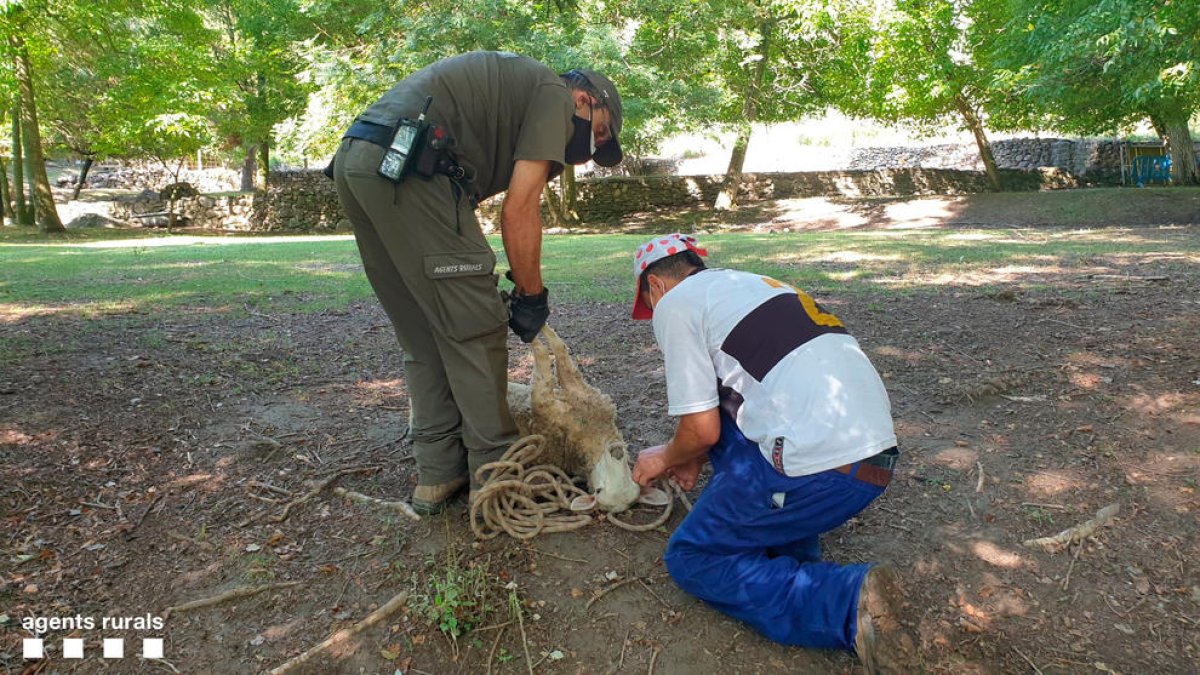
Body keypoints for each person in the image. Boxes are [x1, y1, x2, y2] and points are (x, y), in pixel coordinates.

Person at [330, 51, 623, 514]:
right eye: (599, 131)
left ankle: (439, 471)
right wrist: (530, 294)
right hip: (415, 169)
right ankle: (498, 477)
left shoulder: (516, 90)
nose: (589, 149)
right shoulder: (553, 94)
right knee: (477, 326)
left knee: (424, 330)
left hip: (360, 162)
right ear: (585, 99)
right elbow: (521, 207)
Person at [629, 233, 913, 673]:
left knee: (691, 557)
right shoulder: (751, 285)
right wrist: (695, 453)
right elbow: (731, 409)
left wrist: (665, 456)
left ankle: (848, 602)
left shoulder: (675, 302)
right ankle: (786, 552)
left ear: (655, 287)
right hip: (870, 459)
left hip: (822, 470)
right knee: (733, 428)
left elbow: (700, 427)